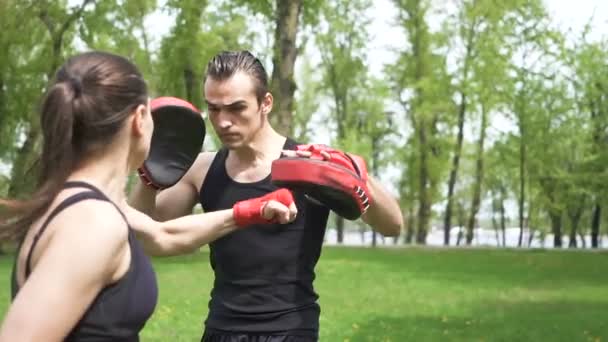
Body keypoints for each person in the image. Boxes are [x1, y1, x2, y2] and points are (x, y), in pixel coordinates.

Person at [0, 50, 296, 342]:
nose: (222, 121)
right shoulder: (92, 224)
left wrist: (251, 211)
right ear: (141, 119)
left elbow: (163, 234)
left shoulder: (93, 206)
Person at [129, 50, 404, 342]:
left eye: (236, 108)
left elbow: (392, 225)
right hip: (222, 329)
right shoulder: (202, 169)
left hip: (291, 330)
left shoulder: (308, 165)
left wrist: (357, 176)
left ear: (266, 103)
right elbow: (144, 235)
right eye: (214, 109)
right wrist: (148, 174)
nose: (223, 122)